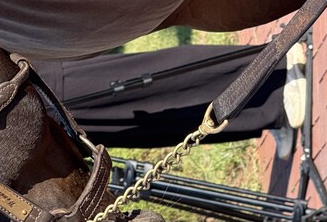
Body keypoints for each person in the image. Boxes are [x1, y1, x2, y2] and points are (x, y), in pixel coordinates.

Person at [33, 43, 307, 159]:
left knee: (154, 85)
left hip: (34, 95)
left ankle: (277, 67)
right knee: (163, 126)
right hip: (36, 132)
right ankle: (268, 110)